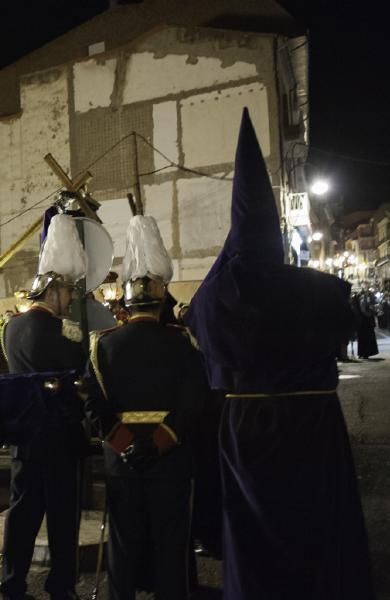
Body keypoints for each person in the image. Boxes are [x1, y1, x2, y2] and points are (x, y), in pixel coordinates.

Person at [185, 109, 374, 600]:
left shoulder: (213, 296)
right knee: (314, 522)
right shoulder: (317, 290)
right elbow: (345, 323)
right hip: (310, 421)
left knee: (253, 529)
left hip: (246, 426)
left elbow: (198, 324)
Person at [86, 214, 207, 600]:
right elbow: (193, 403)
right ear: (162, 301)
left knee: (123, 547)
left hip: (121, 463)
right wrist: (157, 443)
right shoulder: (183, 342)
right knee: (171, 546)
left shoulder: (101, 345)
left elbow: (94, 410)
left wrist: (125, 445)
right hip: (170, 461)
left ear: (125, 303)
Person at [0, 270, 86, 600]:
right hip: (58, 434)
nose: (71, 299)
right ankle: (61, 586)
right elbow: (78, 379)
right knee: (62, 517)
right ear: (51, 293)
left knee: (22, 512)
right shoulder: (64, 332)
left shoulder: (11, 327)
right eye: (67, 292)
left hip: (23, 433)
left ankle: (12, 583)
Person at [355, 292, 379, 358]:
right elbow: (365, 312)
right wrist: (371, 314)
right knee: (366, 339)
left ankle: (362, 353)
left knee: (363, 339)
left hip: (364, 324)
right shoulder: (363, 302)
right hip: (365, 324)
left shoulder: (362, 302)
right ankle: (365, 353)